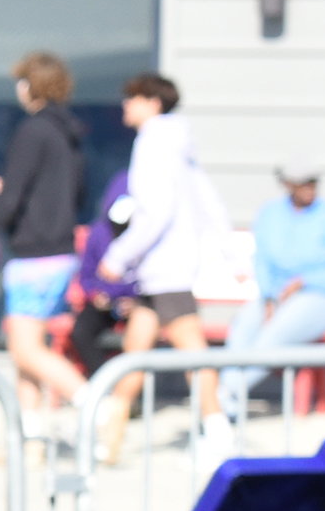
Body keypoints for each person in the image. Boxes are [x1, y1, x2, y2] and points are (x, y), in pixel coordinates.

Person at [96, 73, 231, 458]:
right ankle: (110, 437)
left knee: (192, 351)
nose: (125, 105)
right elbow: (207, 198)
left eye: (132, 98)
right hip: (161, 268)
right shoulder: (178, 144)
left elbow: (154, 213)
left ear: (153, 103)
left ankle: (218, 432)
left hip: (165, 266)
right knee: (135, 352)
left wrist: (117, 256)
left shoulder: (154, 144)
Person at [0, 51, 92, 421]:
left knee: (25, 352)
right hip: (59, 253)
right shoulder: (68, 135)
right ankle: (31, 441)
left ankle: (98, 404)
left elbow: (11, 200)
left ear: (32, 86)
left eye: (22, 81)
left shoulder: (32, 131)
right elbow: (73, 193)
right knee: (29, 354)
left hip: (33, 255)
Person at [196, 163, 325, 438]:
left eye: (313, 182)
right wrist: (270, 296)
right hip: (277, 296)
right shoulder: (271, 214)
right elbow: (263, 262)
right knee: (245, 324)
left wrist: (304, 281)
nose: (309, 188)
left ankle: (223, 394)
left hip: (320, 297)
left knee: (273, 335)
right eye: (303, 182)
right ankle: (228, 403)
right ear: (288, 185)